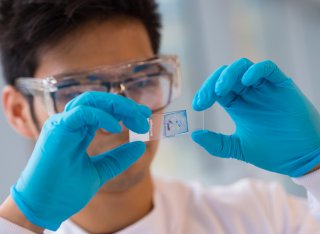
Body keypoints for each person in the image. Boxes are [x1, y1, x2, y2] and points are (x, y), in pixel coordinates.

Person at [0, 0, 319, 233]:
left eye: (141, 82)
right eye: (76, 93)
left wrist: (314, 168)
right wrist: (23, 218)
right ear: (18, 111)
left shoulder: (261, 215)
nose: (118, 116)